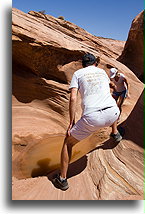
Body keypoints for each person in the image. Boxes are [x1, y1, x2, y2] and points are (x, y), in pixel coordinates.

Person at [52, 53, 122, 191]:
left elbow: (73, 98)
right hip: (113, 113)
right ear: (95, 63)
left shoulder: (78, 74)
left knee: (68, 142)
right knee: (110, 107)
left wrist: (71, 122)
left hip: (93, 117)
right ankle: (115, 133)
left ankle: (62, 179)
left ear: (83, 64)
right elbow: (111, 88)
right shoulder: (102, 72)